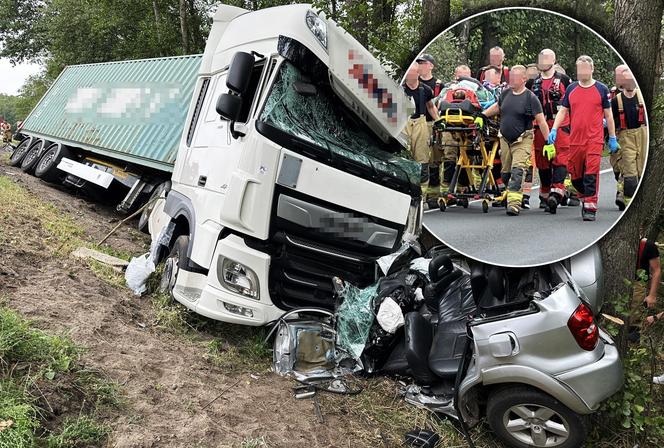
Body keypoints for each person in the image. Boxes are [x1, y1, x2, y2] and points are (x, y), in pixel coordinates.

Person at [549, 55, 618, 221]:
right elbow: (563, 111)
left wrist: (613, 137)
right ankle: (584, 196)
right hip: (575, 140)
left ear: (592, 69)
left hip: (594, 139)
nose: (583, 72)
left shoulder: (602, 89)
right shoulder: (572, 89)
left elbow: (608, 115)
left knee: (591, 173)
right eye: (580, 69)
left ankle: (590, 206)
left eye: (586, 68)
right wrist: (554, 129)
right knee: (576, 176)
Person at [480, 65, 550, 216]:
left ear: (524, 79)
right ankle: (510, 193)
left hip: (523, 138)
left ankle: (514, 204)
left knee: (518, 170)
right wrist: (483, 116)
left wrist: (549, 142)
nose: (511, 79)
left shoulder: (530, 98)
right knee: (505, 173)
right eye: (510, 76)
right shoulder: (505, 94)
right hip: (504, 139)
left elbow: (541, 121)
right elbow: (497, 107)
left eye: (515, 77)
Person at [527, 49, 572, 214]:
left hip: (560, 125)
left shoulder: (565, 81)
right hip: (540, 125)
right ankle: (545, 194)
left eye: (546, 57)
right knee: (542, 161)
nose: (543, 60)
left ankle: (557, 191)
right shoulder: (533, 83)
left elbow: (573, 103)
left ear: (554, 60)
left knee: (560, 158)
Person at [611, 67, 647, 208]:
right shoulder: (616, 101)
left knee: (641, 170)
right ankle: (626, 201)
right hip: (625, 138)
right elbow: (610, 120)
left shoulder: (643, 97)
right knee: (629, 173)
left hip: (643, 135)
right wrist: (611, 138)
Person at [403, 64, 440, 199]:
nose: (410, 76)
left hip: (421, 123)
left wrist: (438, 120)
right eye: (408, 74)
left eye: (412, 73)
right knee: (405, 157)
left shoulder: (425, 90)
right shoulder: (400, 88)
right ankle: (406, 190)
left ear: (418, 74)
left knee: (422, 160)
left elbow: (431, 107)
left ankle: (421, 194)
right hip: (404, 123)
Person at [609, 64, 629, 209]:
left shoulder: (636, 93)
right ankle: (622, 184)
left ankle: (621, 194)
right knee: (616, 166)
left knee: (626, 165)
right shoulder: (612, 93)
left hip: (629, 135)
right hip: (614, 134)